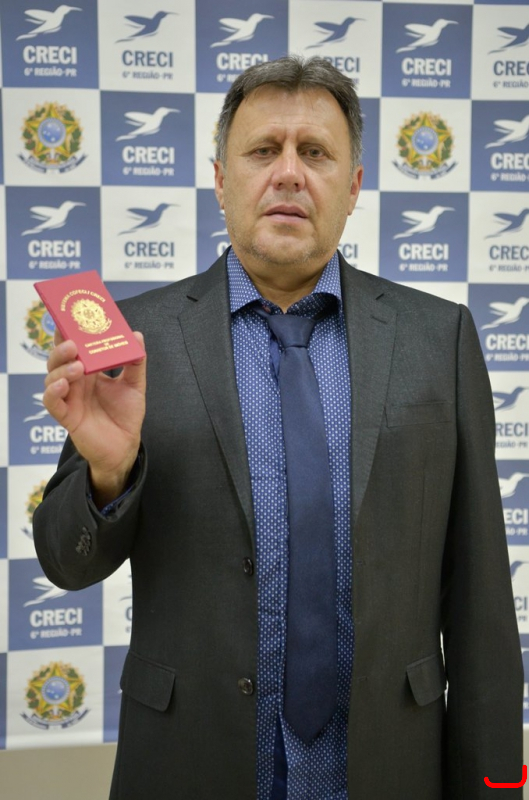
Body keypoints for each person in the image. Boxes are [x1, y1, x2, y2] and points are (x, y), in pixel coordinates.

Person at [33, 56, 523, 800]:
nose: (288, 173)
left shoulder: (438, 337)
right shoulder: (134, 342)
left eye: (315, 153)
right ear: (220, 178)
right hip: (190, 763)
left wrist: (494, 785)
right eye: (263, 150)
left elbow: (481, 596)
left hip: (392, 764)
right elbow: (66, 564)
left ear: (353, 186)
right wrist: (108, 473)